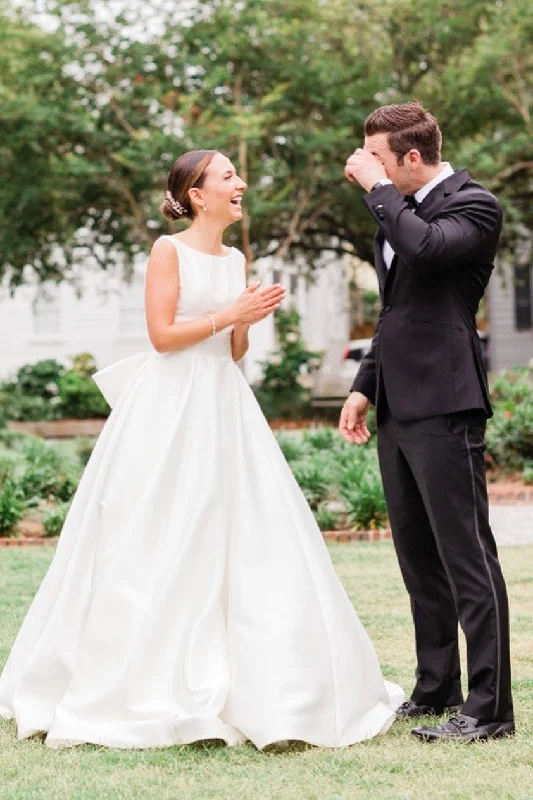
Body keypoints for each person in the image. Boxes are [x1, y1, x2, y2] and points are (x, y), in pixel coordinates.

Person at [0, 149, 402, 750]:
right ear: (196, 193)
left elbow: (231, 354)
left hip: (224, 402)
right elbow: (163, 338)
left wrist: (245, 321)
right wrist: (228, 313)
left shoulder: (237, 257)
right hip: (169, 406)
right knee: (162, 526)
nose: (241, 183)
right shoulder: (169, 251)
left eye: (238, 175)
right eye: (228, 177)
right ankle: (141, 679)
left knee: (242, 527)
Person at [339, 102, 514, 742]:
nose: (367, 171)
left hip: (447, 399)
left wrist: (380, 194)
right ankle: (435, 687)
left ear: (412, 158)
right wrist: (364, 386)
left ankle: (490, 708)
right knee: (418, 557)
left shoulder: (475, 205)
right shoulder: (399, 210)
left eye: (378, 159)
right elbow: (396, 310)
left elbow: (427, 250)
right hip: (398, 403)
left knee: (467, 556)